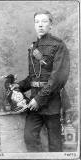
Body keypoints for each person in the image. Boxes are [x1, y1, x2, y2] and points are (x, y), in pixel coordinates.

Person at [12, 9, 70, 152]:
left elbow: (57, 79)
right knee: (30, 138)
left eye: (44, 21)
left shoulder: (59, 45)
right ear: (34, 25)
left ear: (51, 24)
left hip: (52, 103)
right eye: (37, 22)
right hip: (34, 104)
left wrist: (38, 99)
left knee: (55, 144)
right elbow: (33, 78)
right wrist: (16, 86)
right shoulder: (33, 48)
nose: (40, 25)